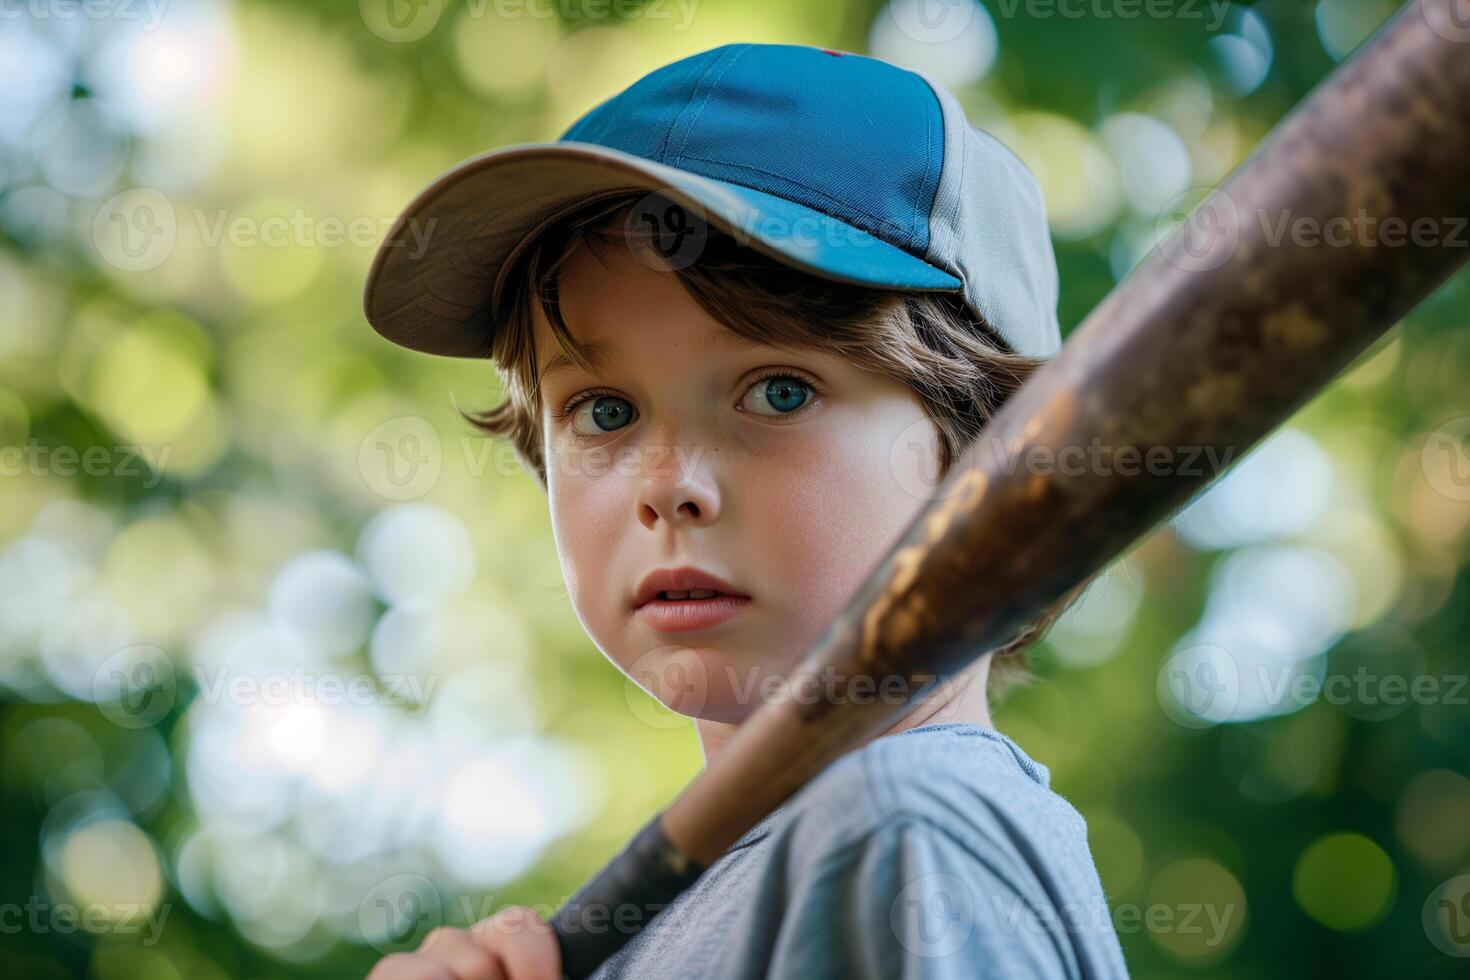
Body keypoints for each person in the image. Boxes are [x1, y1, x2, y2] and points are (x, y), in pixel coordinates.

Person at [361, 41, 1128, 980]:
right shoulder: (659, 927)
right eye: (604, 411)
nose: (668, 484)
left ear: (987, 453)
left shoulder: (903, 832)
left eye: (777, 392)